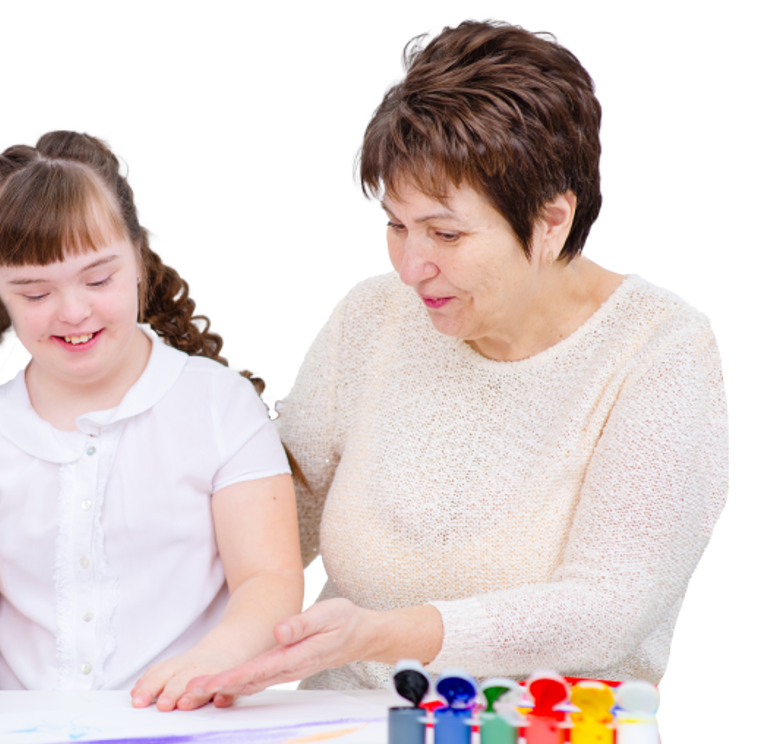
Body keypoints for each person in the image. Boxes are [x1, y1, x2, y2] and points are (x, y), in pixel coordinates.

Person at [187, 16, 730, 698]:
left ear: (552, 220)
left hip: (539, 736)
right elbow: (272, 523)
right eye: (396, 224)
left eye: (446, 234)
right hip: (340, 729)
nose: (411, 266)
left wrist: (383, 634)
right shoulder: (371, 313)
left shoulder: (660, 349)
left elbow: (608, 608)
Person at [0, 127, 304, 712]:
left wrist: (214, 660)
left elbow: (271, 583)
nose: (73, 311)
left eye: (98, 278)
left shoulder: (219, 406)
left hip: (189, 729)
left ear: (137, 256)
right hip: (26, 742)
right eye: (35, 293)